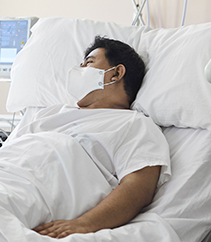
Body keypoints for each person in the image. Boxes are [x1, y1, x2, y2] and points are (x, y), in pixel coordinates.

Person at [21, 36, 169, 238]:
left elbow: (138, 188)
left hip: (32, 194)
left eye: (88, 63)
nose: (79, 71)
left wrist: (84, 224)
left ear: (116, 73)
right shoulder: (48, 114)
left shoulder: (134, 124)